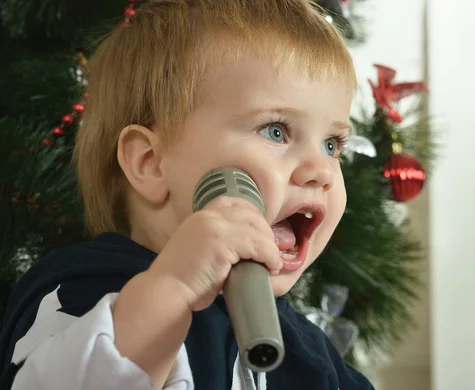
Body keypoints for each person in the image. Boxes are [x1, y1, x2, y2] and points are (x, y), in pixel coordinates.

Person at [0, 0, 374, 389]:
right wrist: (173, 287)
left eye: (332, 145)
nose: (322, 171)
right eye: (275, 131)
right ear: (151, 163)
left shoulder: (306, 351)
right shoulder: (79, 290)